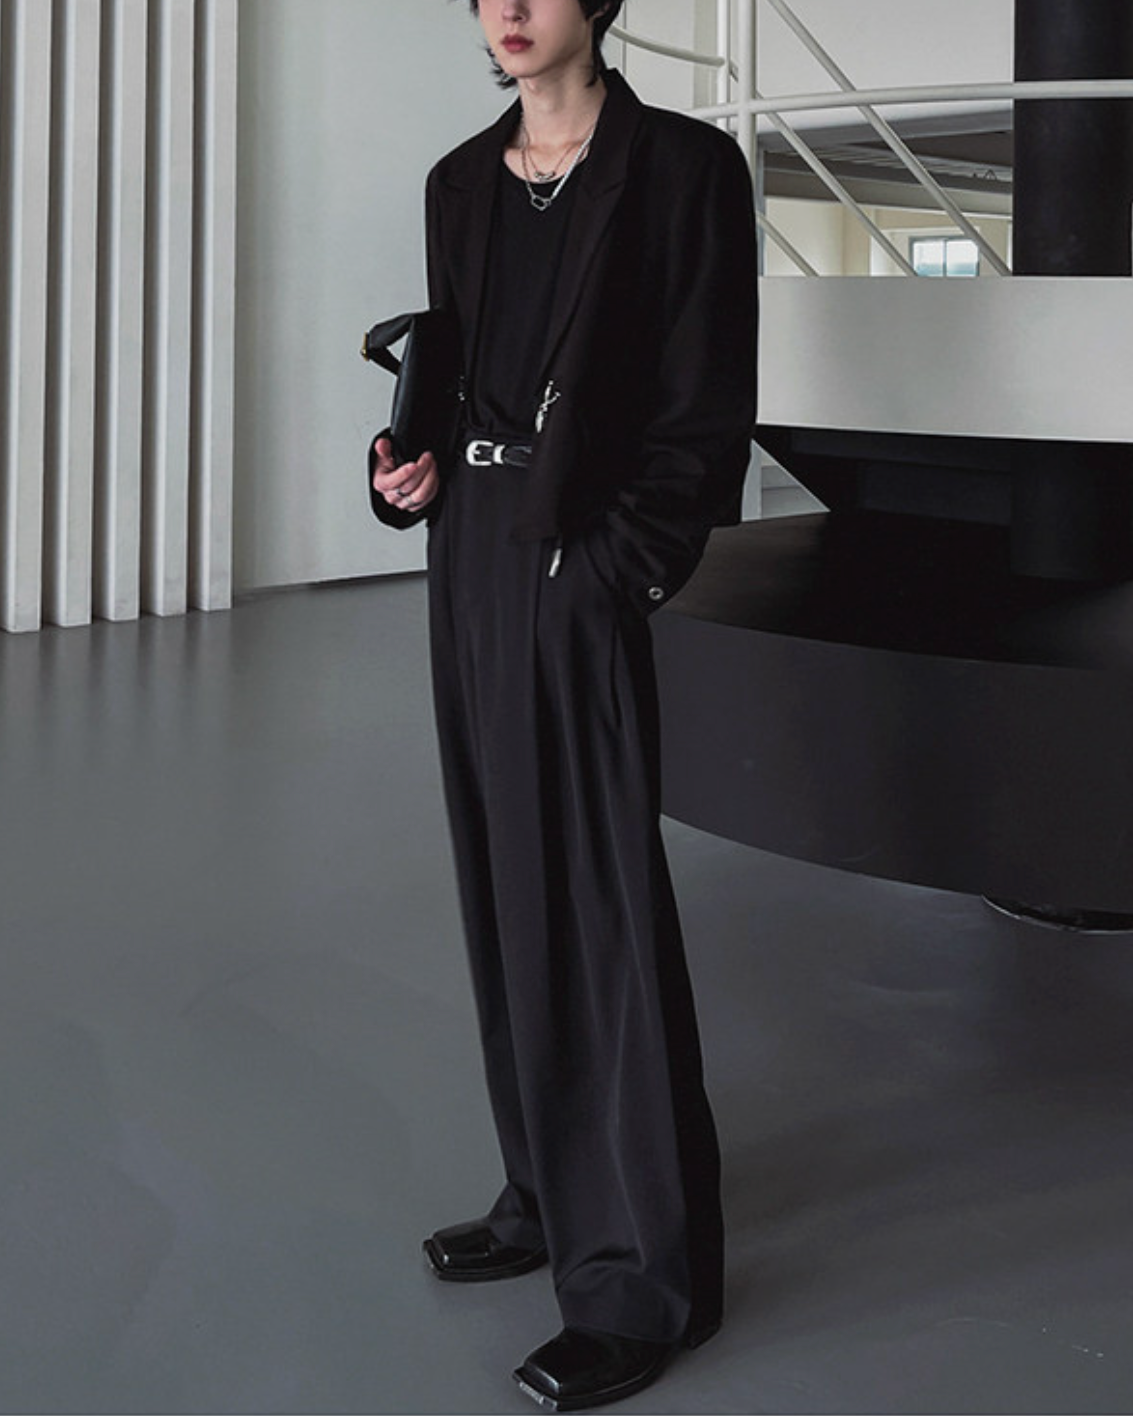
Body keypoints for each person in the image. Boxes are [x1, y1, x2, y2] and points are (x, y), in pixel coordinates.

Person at [369, 1, 757, 1408]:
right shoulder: (460, 181)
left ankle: (642, 1277)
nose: (509, 11)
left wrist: (614, 571)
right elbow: (461, 375)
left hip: (581, 562)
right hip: (473, 555)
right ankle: (543, 1185)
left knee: (594, 904)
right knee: (502, 885)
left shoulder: (686, 168)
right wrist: (403, 469)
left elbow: (705, 403)